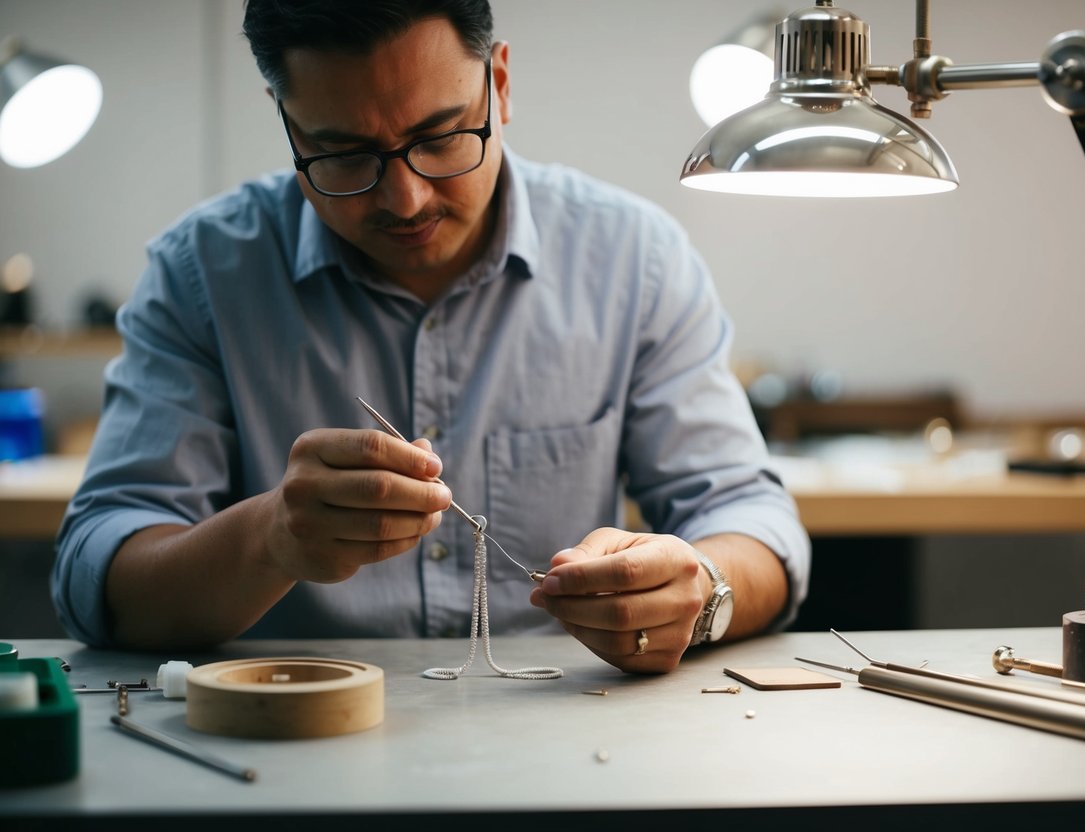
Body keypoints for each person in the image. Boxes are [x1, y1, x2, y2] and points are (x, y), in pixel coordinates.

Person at [51, 0, 810, 674]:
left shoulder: (633, 259)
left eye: (441, 137)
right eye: (345, 154)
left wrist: (700, 586)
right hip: (284, 748)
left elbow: (753, 523)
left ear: (500, 84)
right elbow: (96, 580)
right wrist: (270, 539)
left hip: (564, 740)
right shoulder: (202, 276)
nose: (405, 198)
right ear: (284, 117)